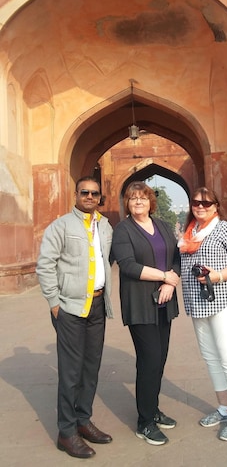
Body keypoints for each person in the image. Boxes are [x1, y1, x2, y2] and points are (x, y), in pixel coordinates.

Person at [36, 176, 113, 459]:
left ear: (99, 197)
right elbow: (45, 265)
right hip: (69, 306)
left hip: (96, 306)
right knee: (70, 372)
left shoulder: (105, 226)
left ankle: (83, 420)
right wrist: (55, 303)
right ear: (76, 195)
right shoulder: (61, 226)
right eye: (85, 193)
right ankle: (66, 432)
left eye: (95, 193)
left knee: (90, 368)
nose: (90, 197)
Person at [178, 186, 227, 442]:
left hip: (224, 300)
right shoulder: (190, 233)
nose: (201, 206)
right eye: (196, 202)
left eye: (207, 203)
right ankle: (224, 409)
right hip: (199, 304)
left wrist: (217, 275)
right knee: (211, 358)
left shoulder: (224, 229)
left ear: (216, 206)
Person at [111, 181, 180, 446]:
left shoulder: (162, 226)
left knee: (160, 359)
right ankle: (145, 422)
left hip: (165, 301)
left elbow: (176, 257)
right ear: (127, 204)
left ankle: (153, 408)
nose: (138, 202)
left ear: (151, 201)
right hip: (140, 304)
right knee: (149, 360)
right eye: (132, 199)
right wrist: (165, 276)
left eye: (143, 198)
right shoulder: (123, 230)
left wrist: (168, 282)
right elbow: (127, 265)